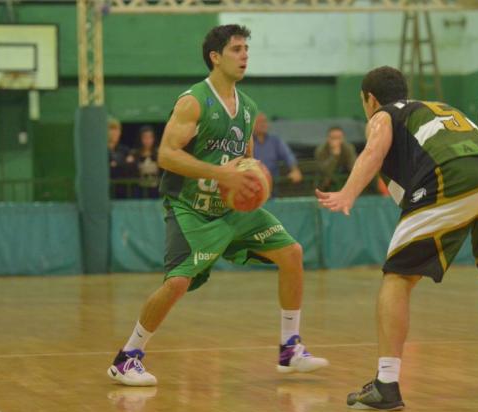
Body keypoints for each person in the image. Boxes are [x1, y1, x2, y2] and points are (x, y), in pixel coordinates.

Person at [316, 66, 478, 410]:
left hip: (450, 177)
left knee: (398, 278)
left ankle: (387, 383)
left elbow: (374, 150)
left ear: (370, 99)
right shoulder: (444, 111)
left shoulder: (384, 114)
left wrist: (348, 192)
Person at [107, 24, 328, 386]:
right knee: (177, 283)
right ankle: (127, 357)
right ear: (216, 56)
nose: (244, 55)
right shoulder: (194, 100)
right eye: (237, 49)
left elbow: (247, 165)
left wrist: (253, 180)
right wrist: (219, 173)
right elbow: (166, 154)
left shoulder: (249, 107)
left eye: (246, 49)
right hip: (190, 208)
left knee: (292, 253)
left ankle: (290, 349)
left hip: (230, 210)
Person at [252, 112, 303, 194]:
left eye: (265, 121)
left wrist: (295, 170)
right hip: (252, 186)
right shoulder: (247, 142)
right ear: (252, 125)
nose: (263, 124)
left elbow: (288, 155)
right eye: (259, 122)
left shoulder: (275, 141)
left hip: (273, 185)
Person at [314, 126, 357, 191]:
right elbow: (324, 169)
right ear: (328, 138)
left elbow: (353, 167)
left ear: (343, 138)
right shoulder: (321, 150)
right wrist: (334, 156)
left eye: (339, 138)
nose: (336, 141)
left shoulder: (348, 148)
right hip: (325, 177)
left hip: (344, 174)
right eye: (333, 138)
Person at [130, 125, 161, 198]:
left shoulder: (159, 154)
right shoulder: (134, 154)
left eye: (150, 137)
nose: (147, 140)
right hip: (140, 190)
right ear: (140, 139)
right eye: (145, 137)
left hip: (156, 190)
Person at [108, 117, 135, 199]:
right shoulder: (100, 151)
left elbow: (131, 168)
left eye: (118, 129)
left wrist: (116, 165)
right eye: (112, 129)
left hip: (124, 193)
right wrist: (124, 163)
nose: (115, 133)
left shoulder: (125, 150)